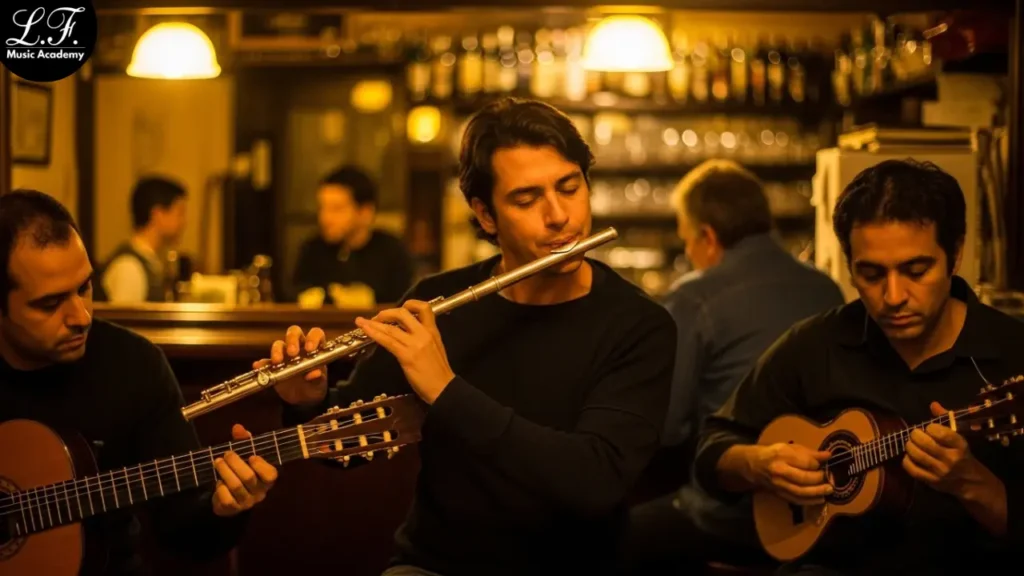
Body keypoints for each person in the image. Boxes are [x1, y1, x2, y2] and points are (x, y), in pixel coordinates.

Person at [260, 97, 677, 576]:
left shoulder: (638, 325)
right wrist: (307, 402)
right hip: (436, 566)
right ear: (485, 215)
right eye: (526, 199)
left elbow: (593, 482)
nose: (559, 215)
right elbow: (347, 452)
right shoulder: (437, 302)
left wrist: (445, 390)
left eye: (570, 187)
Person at [694, 159, 1024, 575]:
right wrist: (756, 464)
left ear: (955, 255)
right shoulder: (816, 344)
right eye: (870, 274)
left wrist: (973, 483)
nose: (893, 296)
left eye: (916, 270)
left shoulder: (1011, 353)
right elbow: (711, 449)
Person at [0, 189, 277, 575]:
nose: (80, 316)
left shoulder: (133, 364)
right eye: (50, 304)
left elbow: (184, 532)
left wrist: (224, 509)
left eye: (85, 288)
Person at [625, 160, 845, 573]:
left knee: (606, 538)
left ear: (707, 237)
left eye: (687, 241)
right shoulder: (826, 286)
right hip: (822, 510)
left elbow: (667, 427)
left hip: (732, 513)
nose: (689, 254)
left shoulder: (694, 297)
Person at [292, 165, 415, 307]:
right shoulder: (312, 249)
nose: (325, 218)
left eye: (336, 209)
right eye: (322, 208)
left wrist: (368, 300)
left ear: (365, 212)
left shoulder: (392, 252)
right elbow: (293, 294)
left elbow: (403, 303)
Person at [95, 176, 188, 303]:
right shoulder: (129, 267)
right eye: (180, 213)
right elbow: (123, 321)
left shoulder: (151, 261)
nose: (184, 222)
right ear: (158, 215)